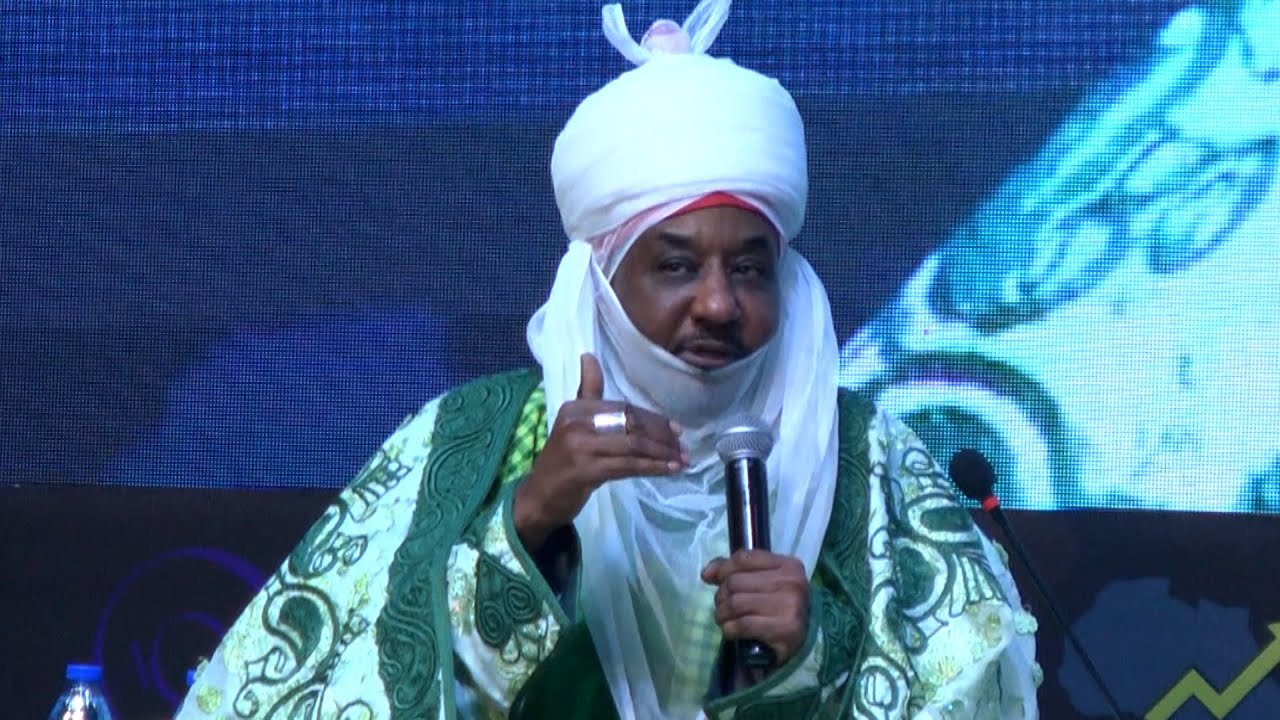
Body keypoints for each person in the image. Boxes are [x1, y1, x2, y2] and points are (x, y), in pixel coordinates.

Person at [175, 1, 1040, 718]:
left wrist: (814, 654)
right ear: (602, 282)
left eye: (749, 269)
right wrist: (528, 521)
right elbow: (315, 691)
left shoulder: (870, 463)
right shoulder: (472, 441)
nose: (718, 304)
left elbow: (975, 691)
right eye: (676, 266)